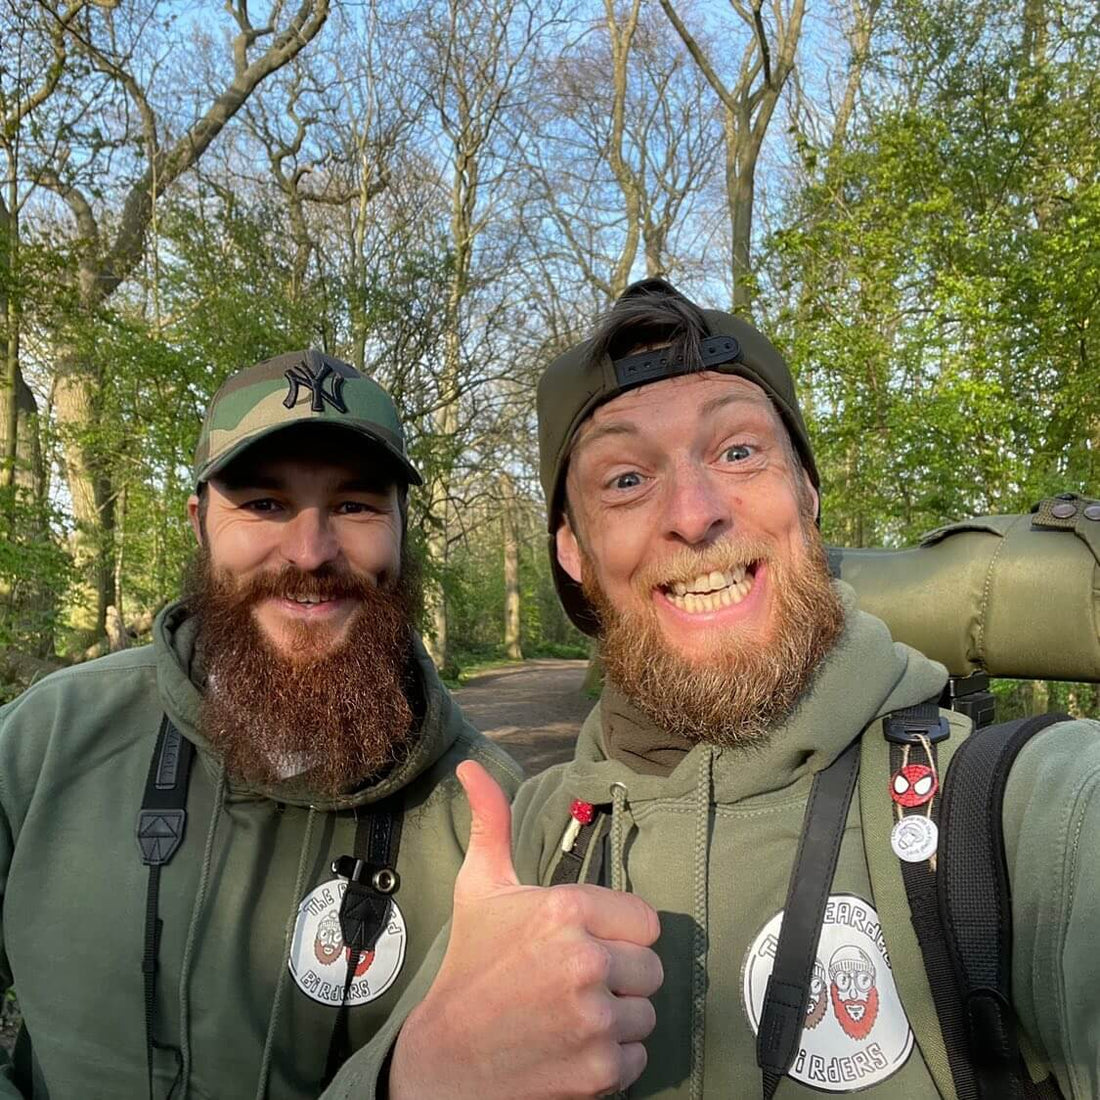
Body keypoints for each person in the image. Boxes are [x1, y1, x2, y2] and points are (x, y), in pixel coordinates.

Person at [330, 281, 1100, 1098]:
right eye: (626, 479)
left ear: (806, 491)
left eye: (737, 452)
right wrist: (416, 1075)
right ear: (574, 552)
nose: (695, 514)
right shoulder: (535, 839)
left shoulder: (1022, 814)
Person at [0, 350, 530, 1098]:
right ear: (199, 524)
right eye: (265, 504)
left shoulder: (482, 821)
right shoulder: (45, 742)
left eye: (353, 505)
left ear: (403, 529)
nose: (310, 553)